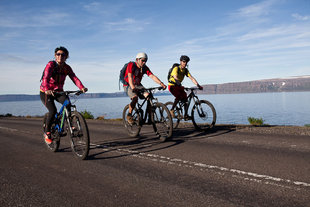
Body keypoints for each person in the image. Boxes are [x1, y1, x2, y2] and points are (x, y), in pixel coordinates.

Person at [40, 46, 88, 144]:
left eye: (63, 55)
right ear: (55, 56)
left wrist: (81, 87)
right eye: (58, 54)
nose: (60, 56)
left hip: (59, 91)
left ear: (66, 57)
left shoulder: (66, 68)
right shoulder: (50, 65)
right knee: (53, 111)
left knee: (68, 103)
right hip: (46, 92)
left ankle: (70, 123)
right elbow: (46, 77)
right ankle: (47, 132)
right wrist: (47, 89)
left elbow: (74, 77)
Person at [123, 52, 167, 124]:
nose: (144, 62)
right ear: (137, 59)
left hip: (138, 85)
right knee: (135, 97)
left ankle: (150, 118)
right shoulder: (131, 65)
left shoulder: (144, 68)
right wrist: (133, 87)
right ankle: (129, 115)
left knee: (149, 96)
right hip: (128, 84)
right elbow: (130, 76)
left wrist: (161, 83)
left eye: (145, 61)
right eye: (142, 60)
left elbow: (152, 76)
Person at [168, 55, 203, 119]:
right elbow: (175, 76)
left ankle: (185, 115)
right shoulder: (176, 68)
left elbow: (191, 78)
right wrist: (178, 82)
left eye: (186, 62)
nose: (185, 63)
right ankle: (172, 110)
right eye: (184, 61)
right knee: (178, 96)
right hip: (172, 86)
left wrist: (198, 85)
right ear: (180, 61)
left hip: (179, 86)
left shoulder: (185, 70)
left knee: (185, 99)